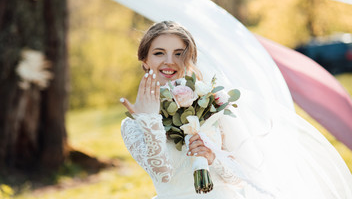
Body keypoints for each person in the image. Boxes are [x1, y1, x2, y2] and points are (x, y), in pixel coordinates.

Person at [120, 21, 352, 199]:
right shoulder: (132, 123)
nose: (169, 61)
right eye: (159, 53)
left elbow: (238, 177)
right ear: (145, 61)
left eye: (179, 53)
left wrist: (212, 157)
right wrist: (149, 118)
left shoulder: (210, 105)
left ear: (190, 59)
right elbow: (163, 173)